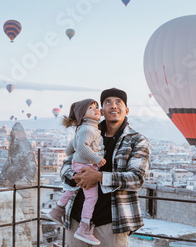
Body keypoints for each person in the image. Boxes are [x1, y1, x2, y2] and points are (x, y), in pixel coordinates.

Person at [60, 88, 150, 247]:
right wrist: (78, 177)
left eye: (118, 102)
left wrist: (99, 177)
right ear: (101, 111)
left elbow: (137, 178)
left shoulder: (136, 140)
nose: (113, 106)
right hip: (76, 219)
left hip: (111, 223)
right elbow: (66, 165)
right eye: (108, 102)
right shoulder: (87, 131)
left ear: (126, 110)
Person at [47, 99, 105, 245]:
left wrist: (74, 159)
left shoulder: (82, 128)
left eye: (96, 107)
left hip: (78, 164)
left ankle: (57, 210)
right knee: (91, 197)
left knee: (73, 188)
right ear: (82, 114)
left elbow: (70, 149)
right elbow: (82, 148)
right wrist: (97, 158)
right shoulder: (88, 129)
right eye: (91, 108)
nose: (96, 109)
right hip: (87, 165)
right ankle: (84, 228)